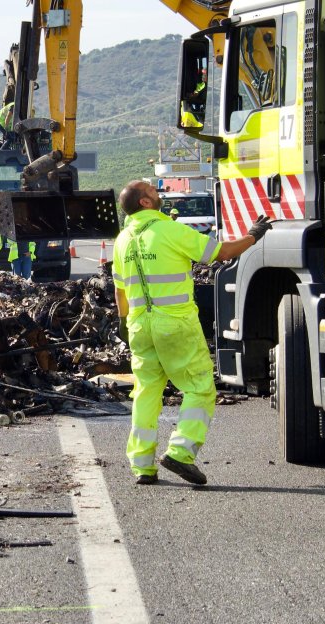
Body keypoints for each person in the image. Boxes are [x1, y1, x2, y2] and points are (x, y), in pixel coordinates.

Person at [112, 180, 271, 485]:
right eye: (153, 192)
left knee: (147, 391)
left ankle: (143, 465)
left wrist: (123, 321)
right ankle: (181, 452)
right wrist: (253, 236)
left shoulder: (122, 241)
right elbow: (222, 253)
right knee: (199, 387)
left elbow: (120, 290)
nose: (158, 195)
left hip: (139, 327)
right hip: (175, 324)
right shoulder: (169, 230)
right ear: (145, 203)